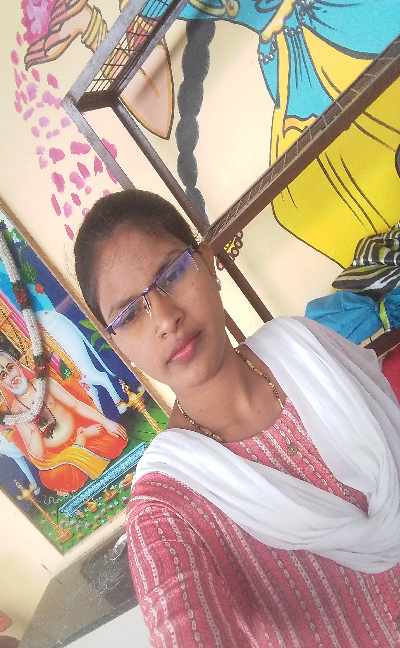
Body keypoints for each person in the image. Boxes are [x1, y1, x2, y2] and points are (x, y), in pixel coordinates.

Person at [74, 189, 400, 647]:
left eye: (172, 273)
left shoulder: (306, 347)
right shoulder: (167, 509)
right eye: (129, 314)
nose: (165, 317)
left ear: (209, 264)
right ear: (119, 347)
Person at [0, 351, 127, 494]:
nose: (10, 376)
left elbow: (76, 405)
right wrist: (33, 429)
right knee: (52, 477)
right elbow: (38, 454)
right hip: (60, 457)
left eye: (10, 368)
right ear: (1, 383)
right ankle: (80, 442)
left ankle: (80, 445)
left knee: (113, 438)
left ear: (18, 365)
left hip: (89, 440)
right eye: (3, 375)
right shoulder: (16, 412)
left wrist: (106, 422)